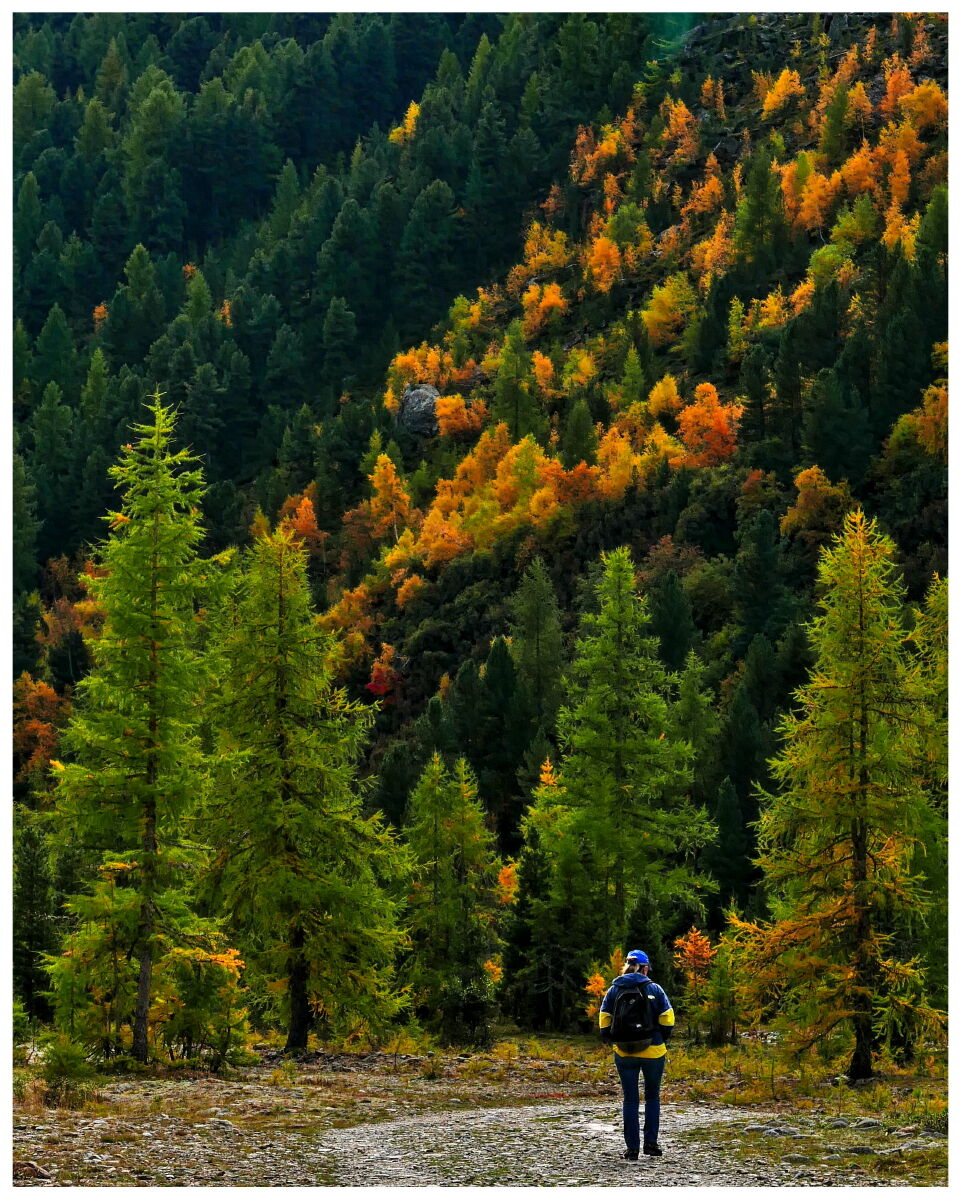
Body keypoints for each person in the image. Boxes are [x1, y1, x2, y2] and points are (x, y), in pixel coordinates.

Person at [598, 949, 674, 1160]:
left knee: (630, 1099)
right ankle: (651, 1143)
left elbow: (604, 1019)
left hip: (624, 1051)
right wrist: (660, 1037)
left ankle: (632, 1148)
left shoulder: (614, 989)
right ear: (645, 968)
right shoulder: (655, 989)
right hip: (653, 1050)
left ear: (627, 966)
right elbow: (667, 1018)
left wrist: (613, 1039)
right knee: (652, 1096)